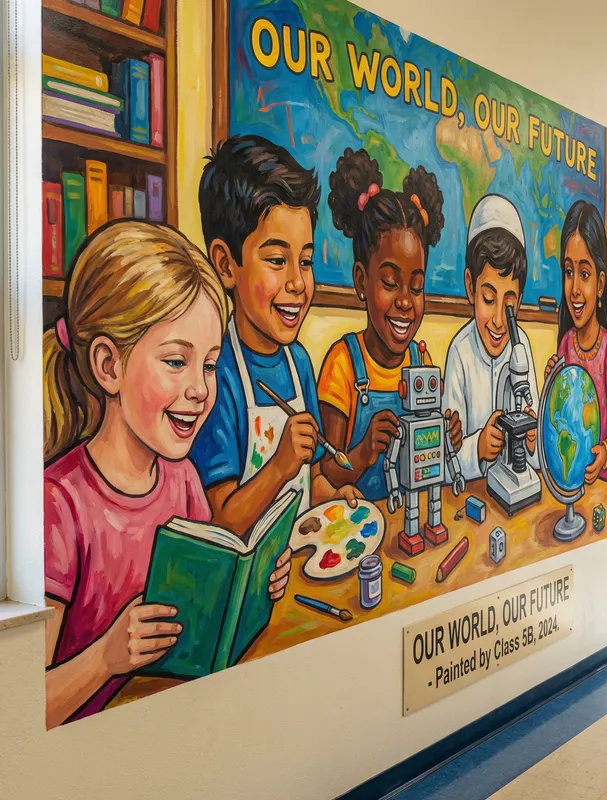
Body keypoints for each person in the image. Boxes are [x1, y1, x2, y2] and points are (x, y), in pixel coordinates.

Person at [43, 222, 291, 728]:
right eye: (177, 361)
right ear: (108, 365)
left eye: (210, 366)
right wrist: (105, 658)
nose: (200, 389)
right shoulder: (58, 506)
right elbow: (22, 707)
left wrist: (253, 588)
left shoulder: (184, 482)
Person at [190, 135, 359, 535]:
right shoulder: (216, 374)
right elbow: (222, 521)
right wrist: (280, 466)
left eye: (306, 261)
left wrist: (333, 497)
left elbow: (310, 481)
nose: (298, 282)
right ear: (225, 265)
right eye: (278, 260)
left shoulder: (298, 362)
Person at [318, 147, 462, 499]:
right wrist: (364, 452)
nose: (405, 301)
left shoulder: (421, 361)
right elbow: (325, 473)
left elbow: (427, 457)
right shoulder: (343, 365)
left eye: (417, 287)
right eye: (389, 282)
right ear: (361, 281)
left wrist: (445, 438)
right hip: (357, 522)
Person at [443, 194, 539, 482]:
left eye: (508, 305)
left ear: (519, 300)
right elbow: (446, 458)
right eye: (488, 298)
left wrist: (532, 442)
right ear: (470, 287)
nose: (499, 320)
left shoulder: (520, 345)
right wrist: (478, 448)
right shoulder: (460, 352)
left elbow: (536, 451)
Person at [545, 200, 607, 483]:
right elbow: (556, 418)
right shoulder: (566, 344)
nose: (575, 288)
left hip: (599, 482)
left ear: (600, 285)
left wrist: (606, 452)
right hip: (568, 478)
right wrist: (550, 383)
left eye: (584, 274)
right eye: (568, 272)